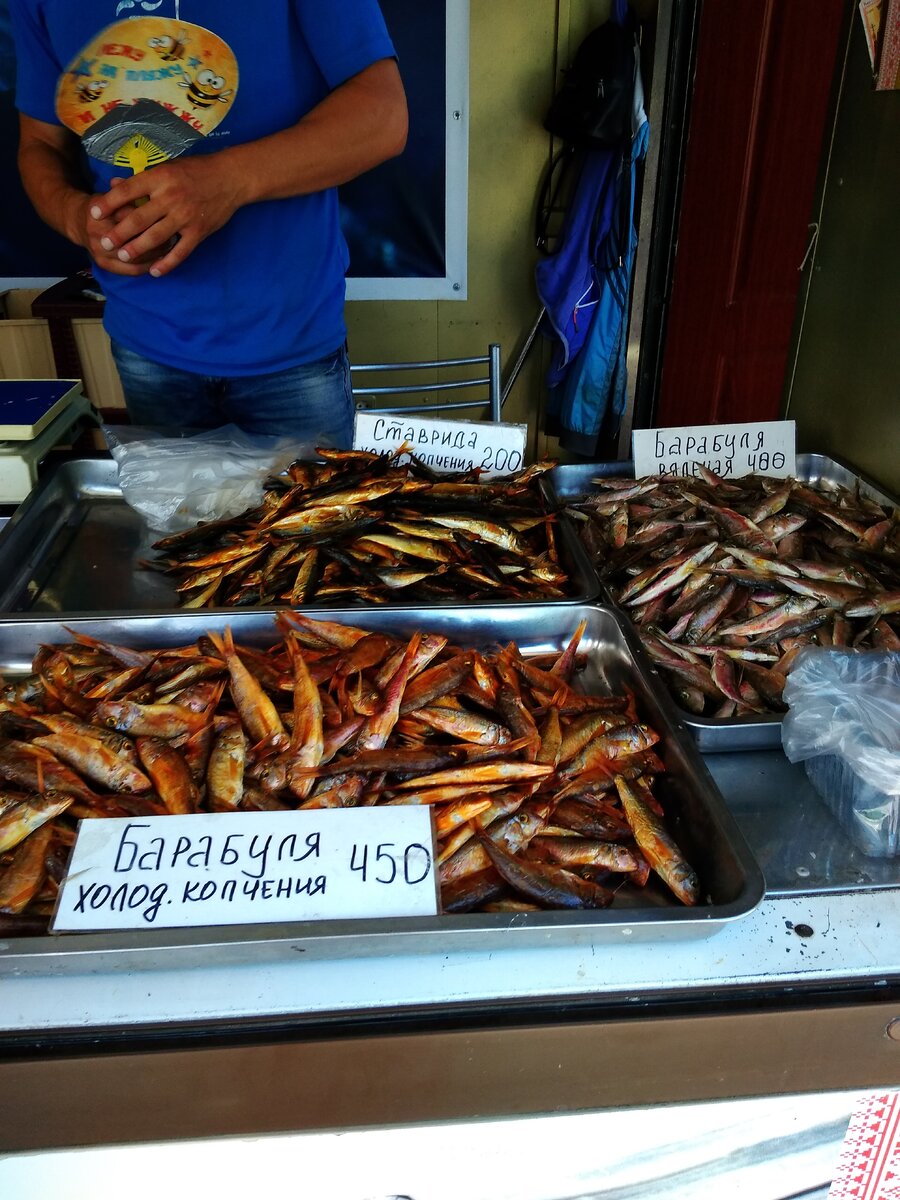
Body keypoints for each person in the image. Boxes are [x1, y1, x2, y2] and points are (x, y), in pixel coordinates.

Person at [8, 2, 408, 446]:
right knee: (177, 516)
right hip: (145, 342)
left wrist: (226, 181)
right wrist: (75, 217)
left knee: (310, 515)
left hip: (292, 342)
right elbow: (40, 142)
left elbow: (383, 116)